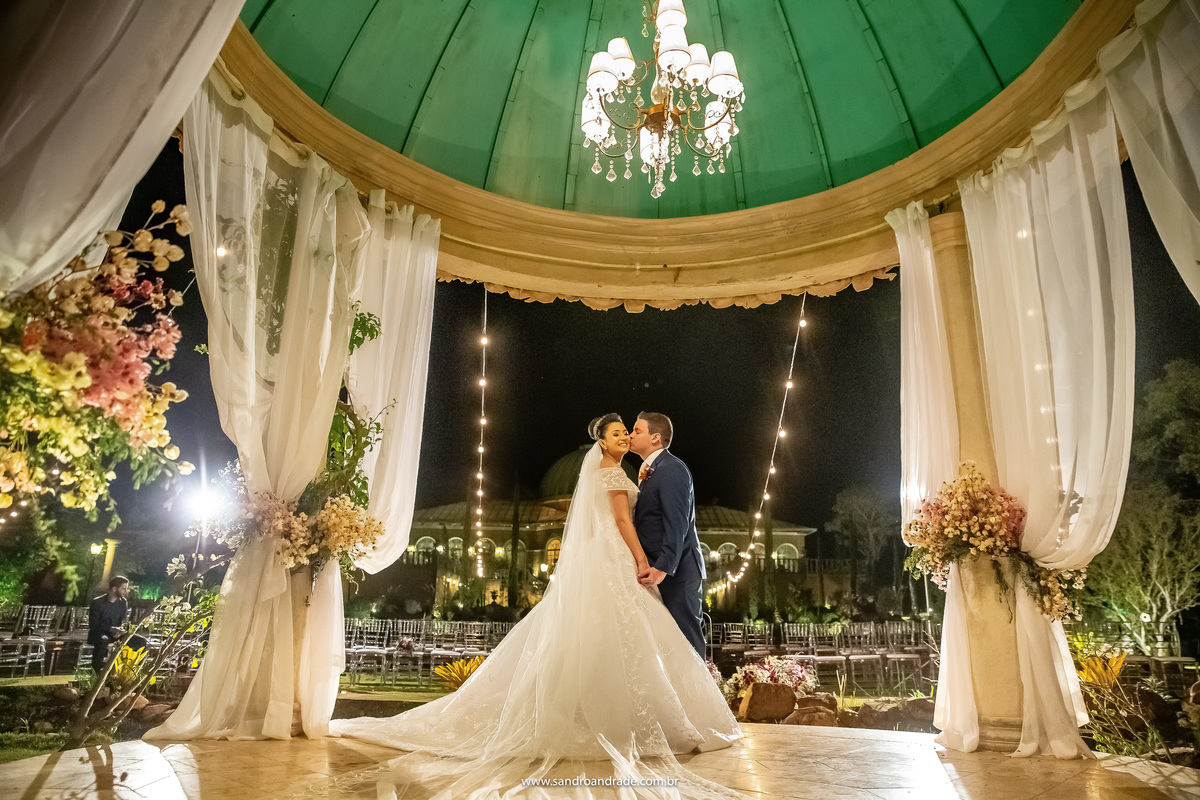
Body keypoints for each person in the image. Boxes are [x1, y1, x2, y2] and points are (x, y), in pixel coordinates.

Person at [333, 414, 742, 799]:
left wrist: (657, 565)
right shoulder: (617, 471)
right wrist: (641, 561)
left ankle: (646, 712)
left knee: (642, 636)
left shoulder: (659, 470)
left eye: (632, 430)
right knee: (631, 636)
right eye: (620, 432)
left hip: (645, 565)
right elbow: (621, 522)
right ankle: (640, 715)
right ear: (602, 441)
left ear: (653, 436)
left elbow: (668, 521)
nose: (627, 436)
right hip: (623, 561)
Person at [629, 411, 707, 657]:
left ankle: (699, 695)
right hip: (660, 570)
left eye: (637, 431)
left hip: (678, 572)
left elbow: (677, 522)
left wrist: (663, 567)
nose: (630, 435)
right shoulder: (651, 470)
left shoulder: (672, 468)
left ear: (655, 438)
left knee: (687, 642)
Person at [88, 576, 130, 671]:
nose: (126, 591)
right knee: (103, 640)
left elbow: (124, 620)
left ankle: (125, 673)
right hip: (98, 633)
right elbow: (94, 625)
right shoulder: (97, 602)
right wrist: (112, 629)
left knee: (139, 640)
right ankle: (96, 673)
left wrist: (121, 630)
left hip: (117, 634)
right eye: (124, 588)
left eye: (126, 589)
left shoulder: (123, 602)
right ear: (114, 589)